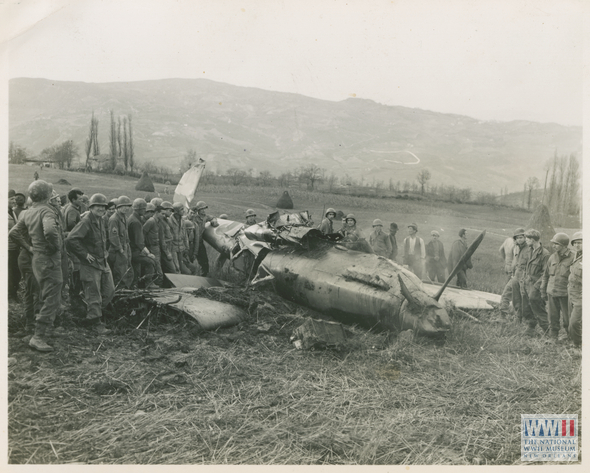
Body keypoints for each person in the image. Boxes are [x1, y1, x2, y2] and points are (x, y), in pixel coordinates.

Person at [9, 180, 63, 352]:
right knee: (52, 297)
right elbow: (49, 231)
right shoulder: (47, 211)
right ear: (47, 195)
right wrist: (55, 247)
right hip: (49, 258)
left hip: (37, 258)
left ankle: (41, 330)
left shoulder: (27, 212)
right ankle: (38, 336)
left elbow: (14, 233)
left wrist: (31, 248)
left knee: (42, 294)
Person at [66, 194, 115, 333]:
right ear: (91, 207)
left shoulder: (100, 220)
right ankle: (95, 322)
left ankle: (93, 314)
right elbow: (71, 239)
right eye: (97, 206)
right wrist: (84, 255)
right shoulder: (86, 221)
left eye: (103, 206)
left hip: (102, 262)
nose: (101, 209)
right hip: (90, 264)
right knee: (94, 294)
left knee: (109, 290)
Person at [540, 233, 575, 340]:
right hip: (551, 292)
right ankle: (553, 337)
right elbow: (545, 275)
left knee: (567, 319)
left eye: (556, 244)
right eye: (553, 243)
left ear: (564, 246)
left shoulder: (573, 258)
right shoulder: (552, 257)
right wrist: (543, 290)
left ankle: (571, 338)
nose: (554, 246)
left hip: (565, 294)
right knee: (552, 317)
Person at [520, 229, 550, 337]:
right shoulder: (529, 251)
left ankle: (547, 330)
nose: (526, 240)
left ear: (532, 240)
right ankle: (530, 328)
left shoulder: (545, 254)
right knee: (526, 307)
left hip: (537, 285)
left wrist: (537, 287)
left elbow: (545, 273)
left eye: (527, 239)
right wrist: (523, 280)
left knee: (538, 306)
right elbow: (525, 267)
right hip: (527, 283)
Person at [128, 198, 158, 287]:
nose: (145, 211)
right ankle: (148, 283)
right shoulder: (136, 222)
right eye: (144, 209)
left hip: (132, 250)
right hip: (134, 251)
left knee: (136, 270)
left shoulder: (132, 218)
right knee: (151, 261)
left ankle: (136, 285)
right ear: (140, 209)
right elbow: (139, 242)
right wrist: (148, 253)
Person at [64, 188, 85, 312]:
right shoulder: (72, 210)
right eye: (80, 199)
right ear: (73, 200)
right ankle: (74, 298)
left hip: (72, 243)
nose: (82, 201)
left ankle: (75, 296)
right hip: (73, 244)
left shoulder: (73, 209)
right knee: (76, 270)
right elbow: (71, 225)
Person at [499, 228, 526, 318]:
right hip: (515, 275)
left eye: (521, 237)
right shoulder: (517, 247)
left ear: (525, 238)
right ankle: (503, 315)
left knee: (520, 299)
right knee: (506, 294)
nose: (519, 239)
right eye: (517, 238)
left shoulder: (528, 249)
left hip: (524, 277)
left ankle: (520, 318)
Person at [108, 196, 134, 289]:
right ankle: (119, 293)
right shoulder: (114, 219)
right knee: (120, 274)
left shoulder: (124, 217)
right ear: (118, 207)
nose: (126, 208)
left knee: (128, 272)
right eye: (124, 206)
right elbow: (114, 237)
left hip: (125, 248)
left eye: (128, 206)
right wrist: (121, 250)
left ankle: (125, 291)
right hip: (117, 251)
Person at [189, 201, 219, 277]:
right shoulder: (193, 216)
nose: (203, 210)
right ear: (198, 210)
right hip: (191, 243)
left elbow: (212, 217)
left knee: (204, 261)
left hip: (199, 242)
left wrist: (214, 221)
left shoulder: (205, 217)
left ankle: (203, 277)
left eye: (204, 208)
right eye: (201, 209)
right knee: (189, 260)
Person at [143, 203, 165, 286]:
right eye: (162, 213)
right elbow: (143, 233)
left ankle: (155, 284)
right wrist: (146, 247)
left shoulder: (159, 222)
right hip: (151, 247)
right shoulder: (151, 221)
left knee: (156, 266)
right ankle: (150, 284)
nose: (163, 215)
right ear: (157, 212)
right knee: (155, 267)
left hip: (156, 247)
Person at [568, 232, 582, 348]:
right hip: (572, 293)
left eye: (580, 243)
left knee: (574, 322)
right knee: (572, 321)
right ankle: (575, 341)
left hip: (581, 296)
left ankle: (578, 344)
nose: (577, 245)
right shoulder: (576, 256)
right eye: (575, 243)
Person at [8, 191, 21, 301]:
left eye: (14, 199)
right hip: (8, 247)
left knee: (15, 270)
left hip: (15, 246)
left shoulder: (12, 211)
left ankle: (13, 292)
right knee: (10, 271)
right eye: (11, 199)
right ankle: (11, 294)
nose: (14, 201)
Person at [157, 201, 176, 274]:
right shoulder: (161, 222)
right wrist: (167, 253)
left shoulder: (167, 221)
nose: (171, 212)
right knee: (172, 270)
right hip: (165, 249)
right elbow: (162, 240)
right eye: (170, 210)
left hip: (170, 247)